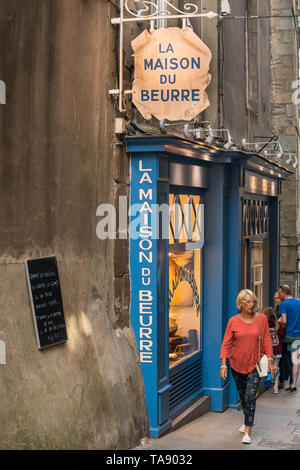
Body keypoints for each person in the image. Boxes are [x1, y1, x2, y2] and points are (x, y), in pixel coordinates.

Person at [220, 289, 275, 445]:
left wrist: (271, 361)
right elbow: (226, 343)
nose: (251, 305)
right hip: (236, 365)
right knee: (243, 396)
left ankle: (248, 429)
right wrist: (223, 365)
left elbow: (266, 341)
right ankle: (246, 419)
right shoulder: (233, 321)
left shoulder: (262, 319)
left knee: (250, 396)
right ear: (240, 304)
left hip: (255, 365)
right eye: (248, 302)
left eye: (253, 302)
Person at [278, 285, 300, 393]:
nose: (279, 295)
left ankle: (284, 381)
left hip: (288, 335)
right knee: (295, 360)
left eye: (279, 292)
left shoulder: (283, 304)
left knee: (285, 358)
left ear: (284, 292)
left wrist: (280, 323)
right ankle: (293, 384)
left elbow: (284, 321)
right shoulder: (299, 302)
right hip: (298, 336)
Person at [263, 307, 285, 393]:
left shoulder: (264, 324)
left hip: (268, 350)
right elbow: (283, 334)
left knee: (269, 367)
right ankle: (275, 387)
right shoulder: (277, 324)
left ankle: (269, 381)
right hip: (278, 349)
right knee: (276, 367)